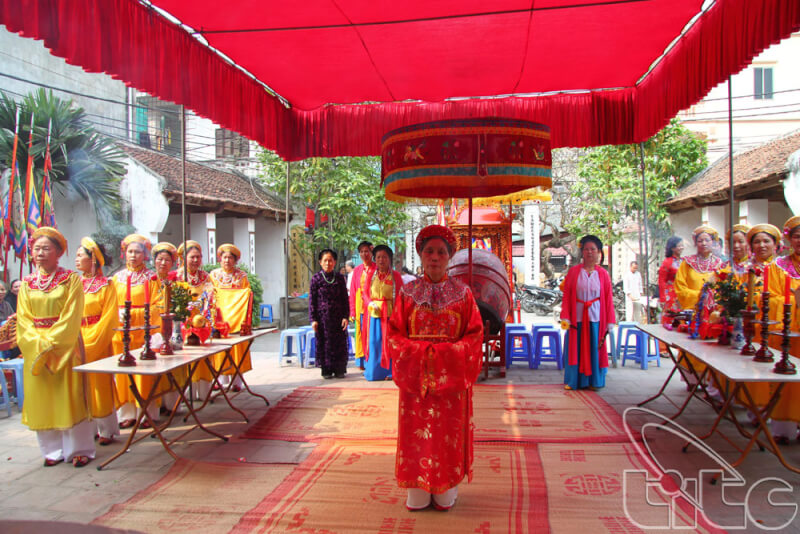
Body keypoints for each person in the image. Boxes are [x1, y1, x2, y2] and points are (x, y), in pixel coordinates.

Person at [387, 225, 483, 511]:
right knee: (416, 434)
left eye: (441, 251)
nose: (435, 257)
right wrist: (423, 354)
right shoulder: (407, 293)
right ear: (420, 254)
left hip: (451, 384)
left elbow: (475, 336)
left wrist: (443, 355)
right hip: (416, 383)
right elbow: (394, 335)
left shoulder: (464, 294)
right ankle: (416, 488)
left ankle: (446, 487)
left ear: (450, 256)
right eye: (429, 251)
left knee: (446, 435)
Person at [17, 227, 93, 467]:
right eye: (37, 248)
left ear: (58, 252)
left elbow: (72, 315)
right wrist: (38, 344)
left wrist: (53, 343)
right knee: (43, 397)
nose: (40, 252)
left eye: (46, 248)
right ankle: (51, 451)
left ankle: (79, 449)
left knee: (70, 396)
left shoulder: (71, 280)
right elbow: (23, 319)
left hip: (66, 345)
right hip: (35, 346)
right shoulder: (27, 283)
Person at [74, 237, 120, 446]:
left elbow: (110, 317)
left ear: (93, 259)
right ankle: (87, 427)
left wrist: (94, 340)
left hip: (98, 339)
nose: (76, 259)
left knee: (100, 383)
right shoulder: (74, 284)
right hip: (76, 338)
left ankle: (107, 429)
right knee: (81, 385)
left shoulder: (106, 285)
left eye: (80, 255)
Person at [113, 234, 160, 428]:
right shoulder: (117, 278)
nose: (133, 256)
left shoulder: (151, 277)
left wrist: (138, 314)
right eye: (130, 252)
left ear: (145, 255)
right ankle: (127, 413)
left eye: (138, 252)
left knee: (145, 372)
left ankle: (147, 412)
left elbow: (157, 305)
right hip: (122, 331)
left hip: (144, 331)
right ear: (124, 254)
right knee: (124, 374)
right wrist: (119, 313)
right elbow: (111, 304)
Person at [560, 235, 616, 391]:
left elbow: (608, 299)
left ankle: (595, 381)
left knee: (595, 348)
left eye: (593, 249)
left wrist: (610, 321)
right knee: (575, 348)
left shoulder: (603, 274)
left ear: (599, 252)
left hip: (596, 317)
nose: (589, 252)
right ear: (582, 252)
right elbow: (567, 296)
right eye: (586, 249)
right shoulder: (573, 272)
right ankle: (574, 381)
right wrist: (565, 316)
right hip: (577, 317)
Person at [765, 216, 800, 443]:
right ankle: (783, 429)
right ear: (789, 239)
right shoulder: (777, 267)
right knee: (787, 382)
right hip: (790, 333)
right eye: (797, 236)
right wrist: (795, 301)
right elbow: (771, 298)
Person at [209, 244, 253, 390]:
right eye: (224, 257)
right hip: (220, 318)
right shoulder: (214, 275)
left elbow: (246, 296)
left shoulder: (241, 276)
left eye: (230, 258)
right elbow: (210, 294)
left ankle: (237, 381)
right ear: (220, 259)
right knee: (219, 348)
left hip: (236, 317)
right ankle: (220, 379)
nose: (227, 260)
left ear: (235, 260)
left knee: (237, 348)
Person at [175, 240, 214, 398]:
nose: (195, 260)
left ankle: (204, 392)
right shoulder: (177, 276)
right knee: (186, 357)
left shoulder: (205, 276)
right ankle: (187, 392)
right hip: (185, 321)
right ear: (184, 258)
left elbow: (211, 296)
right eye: (192, 257)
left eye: (198, 257)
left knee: (204, 357)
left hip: (202, 319)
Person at [361, 245, 403, 381]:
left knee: (390, 343)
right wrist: (370, 303)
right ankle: (374, 372)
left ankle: (391, 372)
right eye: (378, 257)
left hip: (391, 315)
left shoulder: (395, 276)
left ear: (389, 259)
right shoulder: (370, 276)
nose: (381, 260)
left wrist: (398, 314)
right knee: (374, 342)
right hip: (374, 316)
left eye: (384, 257)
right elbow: (365, 293)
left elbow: (401, 296)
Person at [309, 249, 350, 379]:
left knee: (339, 343)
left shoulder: (339, 278)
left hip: (338, 318)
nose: (328, 263)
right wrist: (313, 319)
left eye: (330, 260)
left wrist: (345, 316)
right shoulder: (316, 279)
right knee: (325, 343)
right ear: (320, 262)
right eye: (325, 260)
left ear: (335, 262)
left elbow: (345, 299)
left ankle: (339, 369)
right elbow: (312, 300)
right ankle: (326, 370)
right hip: (322, 319)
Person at [674, 225, 724, 312]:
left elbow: (722, 289)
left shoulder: (719, 264)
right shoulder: (687, 263)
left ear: (713, 242)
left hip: (712, 311)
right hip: (691, 310)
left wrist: (712, 298)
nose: (704, 243)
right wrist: (701, 295)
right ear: (696, 243)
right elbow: (680, 288)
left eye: (707, 240)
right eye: (700, 241)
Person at [349, 241, 374, 370]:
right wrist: (352, 310)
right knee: (360, 334)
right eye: (362, 252)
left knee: (372, 334)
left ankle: (372, 360)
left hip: (373, 308)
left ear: (371, 252)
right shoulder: (357, 270)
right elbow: (353, 291)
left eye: (367, 251)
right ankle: (362, 361)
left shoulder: (376, 268)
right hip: (360, 308)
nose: (364, 254)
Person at [658, 236, 684, 327]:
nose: (682, 248)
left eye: (682, 246)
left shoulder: (684, 261)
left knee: (682, 319)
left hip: (682, 293)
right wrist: (663, 298)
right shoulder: (667, 262)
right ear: (673, 248)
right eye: (679, 246)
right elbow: (661, 280)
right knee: (669, 318)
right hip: (670, 295)